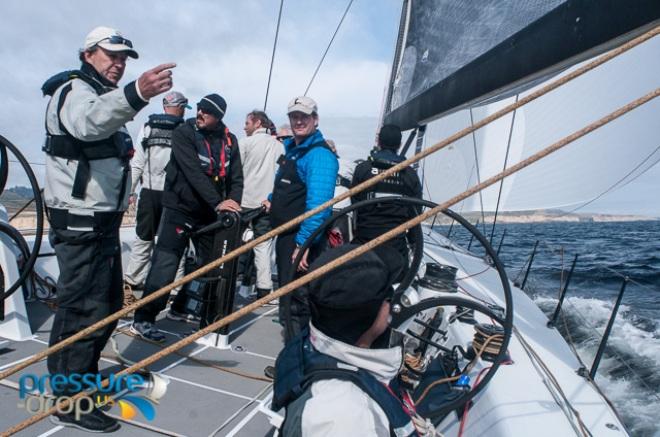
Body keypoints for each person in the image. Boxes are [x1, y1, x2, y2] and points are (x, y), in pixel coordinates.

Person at [41, 26, 174, 432]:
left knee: (107, 304)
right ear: (88, 55)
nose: (118, 63)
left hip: (100, 224)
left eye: (123, 58)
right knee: (82, 310)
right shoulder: (76, 91)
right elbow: (86, 125)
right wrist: (137, 93)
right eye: (110, 55)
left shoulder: (100, 94)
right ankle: (69, 399)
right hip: (81, 225)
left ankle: (82, 376)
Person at [272, 245, 417, 437]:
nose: (390, 304)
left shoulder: (305, 344)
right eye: (387, 297)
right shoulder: (345, 418)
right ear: (370, 316)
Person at [131, 93, 243, 342]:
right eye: (200, 108)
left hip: (208, 215)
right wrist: (218, 202)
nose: (200, 113)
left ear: (219, 118)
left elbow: (236, 177)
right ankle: (144, 319)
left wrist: (233, 202)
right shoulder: (184, 132)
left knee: (208, 267)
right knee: (165, 267)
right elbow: (192, 171)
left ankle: (185, 309)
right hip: (179, 209)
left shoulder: (230, 141)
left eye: (207, 111)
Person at [263, 96, 339, 342]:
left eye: (304, 116)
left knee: (297, 305)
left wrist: (303, 244)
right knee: (288, 300)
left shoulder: (319, 156)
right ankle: (293, 355)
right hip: (288, 238)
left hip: (301, 242)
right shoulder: (295, 151)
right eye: (294, 116)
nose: (298, 121)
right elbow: (288, 184)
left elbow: (319, 207)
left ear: (315, 120)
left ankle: (298, 364)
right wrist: (271, 199)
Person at [124, 91, 191, 292]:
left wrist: (129, 192)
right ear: (179, 107)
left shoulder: (148, 127)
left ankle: (133, 280)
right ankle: (174, 288)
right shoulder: (185, 130)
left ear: (164, 107)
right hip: (174, 195)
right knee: (174, 243)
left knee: (143, 238)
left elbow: (137, 163)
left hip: (148, 193)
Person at [350, 124, 422, 281]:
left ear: (379, 142)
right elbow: (416, 214)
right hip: (396, 248)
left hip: (365, 244)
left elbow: (354, 204)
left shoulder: (363, 169)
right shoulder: (410, 175)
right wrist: (414, 243)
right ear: (400, 145)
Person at [239, 110, 283, 299]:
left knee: (233, 245)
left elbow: (235, 172)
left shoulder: (245, 143)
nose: (244, 126)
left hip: (243, 202)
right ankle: (264, 289)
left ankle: (230, 281)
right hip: (268, 203)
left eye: (247, 123)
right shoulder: (280, 147)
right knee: (262, 246)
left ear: (257, 123)